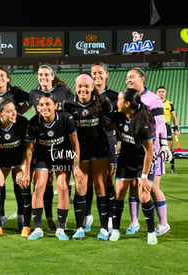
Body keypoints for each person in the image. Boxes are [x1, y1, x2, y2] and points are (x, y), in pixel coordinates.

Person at [16, 94, 83, 241]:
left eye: (48, 104)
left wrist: (76, 166)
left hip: (61, 154)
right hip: (42, 156)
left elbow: (75, 144)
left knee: (62, 186)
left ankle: (60, 228)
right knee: (39, 186)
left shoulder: (66, 119)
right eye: (41, 105)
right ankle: (38, 228)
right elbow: (28, 150)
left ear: (55, 106)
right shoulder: (34, 122)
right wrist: (25, 171)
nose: (44, 107)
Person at [63, 72, 113, 241]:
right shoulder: (68, 104)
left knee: (100, 188)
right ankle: (80, 227)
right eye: (80, 86)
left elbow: (113, 124)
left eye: (86, 86)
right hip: (80, 153)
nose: (83, 89)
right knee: (80, 187)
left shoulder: (103, 102)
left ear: (93, 87)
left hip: (100, 151)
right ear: (75, 87)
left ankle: (105, 228)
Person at [125, 68, 172, 237]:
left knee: (152, 187)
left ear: (142, 79)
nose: (128, 80)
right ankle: (134, 222)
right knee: (133, 186)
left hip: (151, 150)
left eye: (132, 77)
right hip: (133, 150)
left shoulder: (153, 99)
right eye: (127, 77)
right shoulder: (127, 97)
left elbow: (160, 124)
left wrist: (164, 144)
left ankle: (163, 223)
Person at [108, 88, 157, 245]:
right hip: (125, 161)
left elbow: (149, 152)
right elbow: (108, 124)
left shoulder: (143, 123)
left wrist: (143, 177)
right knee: (119, 194)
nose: (117, 102)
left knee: (143, 196)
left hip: (143, 163)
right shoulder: (119, 116)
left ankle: (151, 232)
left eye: (120, 99)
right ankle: (115, 230)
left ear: (127, 103)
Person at [0, 67, 30, 228]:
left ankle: (21, 216)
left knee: (20, 184)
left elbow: (30, 100)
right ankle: (0, 216)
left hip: (15, 143)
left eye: (2, 75)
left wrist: (16, 114)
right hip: (0, 145)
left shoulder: (15, 94)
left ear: (8, 79)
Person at [28, 64, 74, 230]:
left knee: (62, 184)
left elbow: (72, 111)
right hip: (43, 143)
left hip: (61, 145)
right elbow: (23, 108)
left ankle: (63, 222)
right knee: (43, 183)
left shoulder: (64, 92)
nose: (43, 77)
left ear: (53, 76)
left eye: (47, 75)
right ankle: (47, 218)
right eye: (40, 75)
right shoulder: (33, 94)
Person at [86, 62, 119, 233]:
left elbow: (118, 121)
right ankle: (87, 216)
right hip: (88, 144)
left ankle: (111, 218)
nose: (97, 76)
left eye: (100, 73)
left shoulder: (114, 96)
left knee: (107, 181)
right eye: (93, 73)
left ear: (107, 75)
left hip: (108, 142)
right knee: (87, 181)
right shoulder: (85, 95)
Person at [156, 86, 179, 174]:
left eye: (163, 91)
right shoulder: (154, 103)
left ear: (165, 93)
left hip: (166, 126)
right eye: (159, 91)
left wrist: (176, 128)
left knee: (169, 148)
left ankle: (172, 168)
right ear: (157, 93)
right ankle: (157, 165)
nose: (161, 93)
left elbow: (173, 117)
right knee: (156, 146)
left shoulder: (170, 104)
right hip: (157, 126)